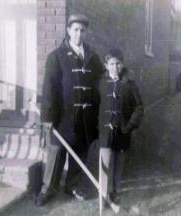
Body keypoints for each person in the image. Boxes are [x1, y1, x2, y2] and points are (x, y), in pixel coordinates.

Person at [36, 14, 104, 206]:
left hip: (84, 117)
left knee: (80, 151)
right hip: (62, 117)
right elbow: (49, 88)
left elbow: (101, 80)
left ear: (86, 32)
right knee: (56, 152)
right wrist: (48, 117)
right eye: (75, 30)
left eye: (82, 30)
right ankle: (48, 188)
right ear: (68, 30)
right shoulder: (56, 56)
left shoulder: (92, 57)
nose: (79, 34)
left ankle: (73, 185)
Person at [99, 49, 144, 205]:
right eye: (111, 63)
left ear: (122, 64)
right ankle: (104, 194)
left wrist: (129, 125)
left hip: (122, 132)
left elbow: (139, 107)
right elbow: (94, 105)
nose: (115, 67)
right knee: (105, 164)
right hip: (105, 133)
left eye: (118, 63)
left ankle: (115, 192)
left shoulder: (129, 85)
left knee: (118, 165)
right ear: (106, 65)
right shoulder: (101, 83)